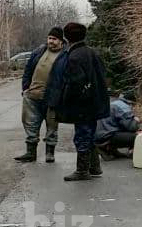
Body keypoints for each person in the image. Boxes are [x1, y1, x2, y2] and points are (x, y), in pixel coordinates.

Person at [48, 22, 110, 181]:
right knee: (89, 134)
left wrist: (65, 102)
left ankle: (83, 170)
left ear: (66, 38)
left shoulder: (74, 56)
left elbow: (75, 83)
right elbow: (102, 76)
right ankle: (94, 167)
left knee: (82, 135)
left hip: (82, 105)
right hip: (94, 102)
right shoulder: (91, 53)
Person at [14, 27, 65, 163]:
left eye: (54, 39)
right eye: (49, 38)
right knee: (30, 124)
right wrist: (25, 88)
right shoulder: (39, 51)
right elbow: (28, 70)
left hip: (52, 98)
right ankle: (30, 152)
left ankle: (50, 153)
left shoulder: (65, 55)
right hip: (32, 96)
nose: (51, 41)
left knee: (52, 126)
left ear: (61, 41)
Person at [95, 91, 140, 160]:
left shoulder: (115, 103)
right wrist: (136, 121)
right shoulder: (124, 108)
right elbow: (131, 127)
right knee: (137, 136)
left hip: (99, 135)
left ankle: (112, 150)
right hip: (107, 136)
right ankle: (106, 147)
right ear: (131, 103)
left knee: (121, 129)